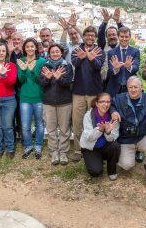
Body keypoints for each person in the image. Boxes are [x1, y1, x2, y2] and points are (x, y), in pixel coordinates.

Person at [110, 76, 146, 180]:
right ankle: (131, 154)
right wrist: (113, 111)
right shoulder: (119, 99)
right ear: (127, 88)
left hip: (142, 136)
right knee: (126, 165)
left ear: (141, 87)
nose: (133, 90)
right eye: (130, 87)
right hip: (125, 139)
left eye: (135, 87)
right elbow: (110, 104)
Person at [70, 26, 105, 162]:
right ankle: (78, 150)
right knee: (77, 123)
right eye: (87, 35)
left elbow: (98, 66)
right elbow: (74, 63)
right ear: (83, 36)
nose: (90, 38)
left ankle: (93, 148)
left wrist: (91, 58)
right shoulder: (77, 50)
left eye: (92, 36)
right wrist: (81, 58)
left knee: (93, 121)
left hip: (94, 92)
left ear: (95, 37)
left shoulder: (99, 51)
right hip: (78, 92)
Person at [39, 44, 73, 165]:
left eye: (57, 52)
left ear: (61, 53)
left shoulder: (67, 66)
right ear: (49, 54)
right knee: (51, 128)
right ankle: (53, 151)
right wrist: (48, 78)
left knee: (64, 129)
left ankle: (63, 151)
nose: (55, 54)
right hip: (49, 102)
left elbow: (68, 82)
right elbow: (42, 83)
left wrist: (59, 78)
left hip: (65, 102)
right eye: (52, 52)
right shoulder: (45, 66)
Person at [80, 92, 121, 181]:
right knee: (95, 172)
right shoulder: (88, 115)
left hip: (105, 146)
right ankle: (95, 160)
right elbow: (88, 137)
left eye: (108, 102)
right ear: (97, 103)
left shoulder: (113, 117)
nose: (105, 104)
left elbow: (113, 138)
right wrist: (99, 130)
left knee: (115, 146)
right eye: (102, 101)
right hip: (91, 148)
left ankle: (112, 171)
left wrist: (108, 132)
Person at [17, 38, 46, 159]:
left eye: (32, 46)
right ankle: (28, 146)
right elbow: (21, 80)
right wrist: (23, 70)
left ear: (36, 48)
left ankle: (38, 145)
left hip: (38, 97)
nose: (29, 49)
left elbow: (41, 80)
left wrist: (33, 70)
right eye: (27, 46)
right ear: (24, 48)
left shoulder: (41, 61)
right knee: (25, 125)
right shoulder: (21, 61)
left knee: (39, 123)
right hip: (25, 98)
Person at [106, 27, 140, 97]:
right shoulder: (111, 52)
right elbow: (109, 71)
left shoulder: (135, 51)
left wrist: (129, 67)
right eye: (122, 36)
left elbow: (136, 67)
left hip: (131, 88)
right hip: (115, 88)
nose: (124, 39)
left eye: (126, 37)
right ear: (118, 37)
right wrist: (115, 69)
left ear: (130, 37)